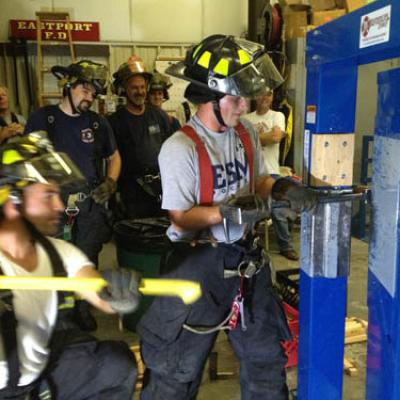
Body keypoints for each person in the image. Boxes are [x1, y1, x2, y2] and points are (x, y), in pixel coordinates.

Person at [137, 34, 316, 400]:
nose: (244, 105)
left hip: (245, 261)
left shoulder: (245, 131)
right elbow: (180, 216)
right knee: (177, 371)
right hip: (196, 265)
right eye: (236, 98)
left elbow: (260, 178)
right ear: (210, 97)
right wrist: (228, 211)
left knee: (266, 360)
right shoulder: (180, 147)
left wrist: (282, 188)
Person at [0, 133, 140, 400]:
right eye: (48, 195)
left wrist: (116, 293)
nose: (60, 205)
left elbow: (97, 291)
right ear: (13, 200)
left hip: (38, 375)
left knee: (115, 365)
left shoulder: (58, 253)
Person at [24, 59, 121, 331]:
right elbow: (28, 159)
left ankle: (82, 307)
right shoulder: (42, 119)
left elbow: (114, 157)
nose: (89, 97)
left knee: (87, 256)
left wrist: (111, 183)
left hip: (90, 203)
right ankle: (58, 312)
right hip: (55, 205)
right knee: (54, 257)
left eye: (93, 93)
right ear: (68, 86)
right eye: (85, 90)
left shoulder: (98, 123)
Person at [108, 56, 172, 218]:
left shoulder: (159, 116)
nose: (140, 92)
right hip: (131, 196)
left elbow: (172, 152)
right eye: (134, 88)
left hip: (161, 190)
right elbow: (111, 159)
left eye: (143, 87)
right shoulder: (114, 122)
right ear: (124, 89)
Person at [245, 89, 299, 260]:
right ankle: (246, 243)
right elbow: (241, 142)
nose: (264, 97)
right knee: (247, 207)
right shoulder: (246, 119)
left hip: (271, 173)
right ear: (254, 96)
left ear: (273, 96)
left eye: (268, 94)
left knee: (279, 208)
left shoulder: (278, 116)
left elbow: (275, 137)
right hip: (250, 175)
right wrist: (263, 137)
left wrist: (253, 138)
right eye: (260, 93)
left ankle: (285, 246)